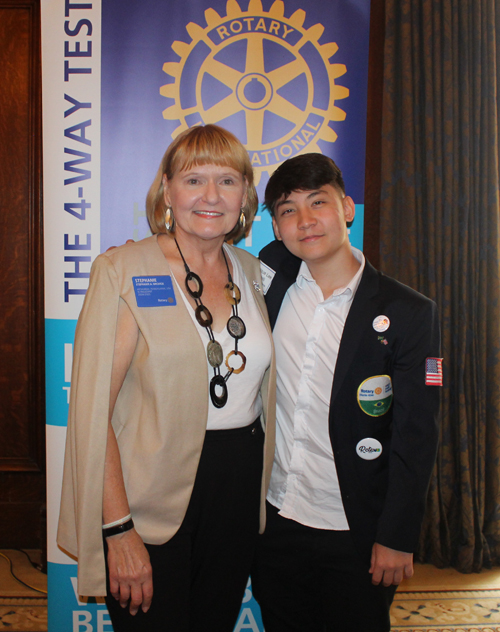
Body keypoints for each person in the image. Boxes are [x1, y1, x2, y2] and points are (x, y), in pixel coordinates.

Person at [57, 124, 276, 632]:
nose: (210, 195)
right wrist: (118, 530)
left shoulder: (252, 270)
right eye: (194, 178)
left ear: (245, 195)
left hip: (238, 485)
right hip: (149, 495)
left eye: (227, 180)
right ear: (167, 190)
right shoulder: (123, 268)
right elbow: (95, 413)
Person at [251, 153, 441, 631]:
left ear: (348, 208)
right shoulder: (269, 276)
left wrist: (397, 535)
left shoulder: (409, 312)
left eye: (318, 202)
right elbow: (202, 260)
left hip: (355, 529)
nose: (305, 220)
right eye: (288, 209)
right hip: (276, 521)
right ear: (275, 227)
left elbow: (417, 434)